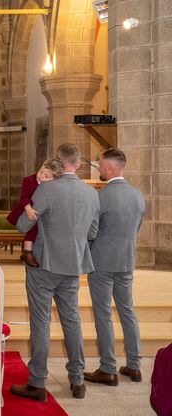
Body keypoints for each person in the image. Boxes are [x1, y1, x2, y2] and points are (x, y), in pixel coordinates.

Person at [10, 143, 99, 402]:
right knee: (72, 321)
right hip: (73, 266)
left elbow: (22, 225)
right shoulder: (91, 194)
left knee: (41, 322)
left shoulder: (46, 189)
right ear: (79, 164)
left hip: (43, 265)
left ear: (57, 162)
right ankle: (78, 380)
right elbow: (92, 233)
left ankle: (37, 383)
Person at [84, 148, 145, 386]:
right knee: (127, 311)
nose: (98, 168)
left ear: (110, 168)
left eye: (100, 164)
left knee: (103, 315)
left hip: (101, 262)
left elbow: (91, 231)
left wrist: (86, 252)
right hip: (126, 260)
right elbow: (135, 229)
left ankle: (108, 368)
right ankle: (134, 365)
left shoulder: (101, 197)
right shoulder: (138, 195)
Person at [7, 158, 64, 267]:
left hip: (41, 211)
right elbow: (24, 197)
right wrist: (28, 209)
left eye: (46, 176)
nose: (41, 176)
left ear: (53, 179)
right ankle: (27, 251)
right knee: (32, 225)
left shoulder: (52, 185)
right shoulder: (28, 180)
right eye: (41, 172)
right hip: (27, 208)